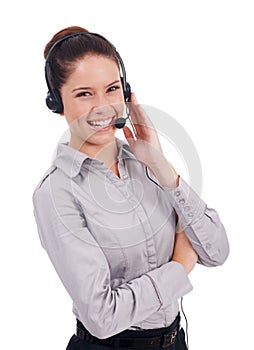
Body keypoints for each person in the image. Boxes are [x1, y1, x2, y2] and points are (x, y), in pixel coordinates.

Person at [32, 26, 229, 350]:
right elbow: (103, 317)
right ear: (57, 102)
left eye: (111, 89)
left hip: (175, 341)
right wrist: (180, 265)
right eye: (84, 94)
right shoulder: (56, 194)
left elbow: (217, 251)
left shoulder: (146, 165)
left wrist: (163, 168)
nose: (103, 107)